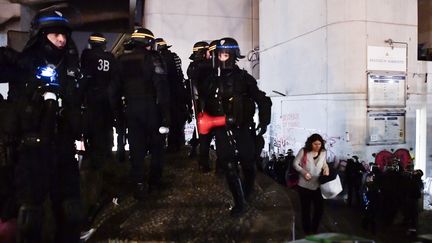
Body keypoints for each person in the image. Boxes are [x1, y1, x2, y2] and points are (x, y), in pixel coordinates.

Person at [12, 10, 83, 242]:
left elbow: (78, 104)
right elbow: (17, 108)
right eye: (55, 35)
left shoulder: (71, 66)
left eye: (63, 35)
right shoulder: (26, 64)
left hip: (63, 146)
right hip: (33, 149)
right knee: (30, 212)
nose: (61, 40)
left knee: (70, 207)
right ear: (42, 35)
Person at [201, 37, 272, 216]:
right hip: (221, 130)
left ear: (232, 56)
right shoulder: (210, 80)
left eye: (225, 55)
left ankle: (247, 192)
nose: (222, 58)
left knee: (248, 165)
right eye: (220, 55)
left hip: (243, 128)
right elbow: (204, 105)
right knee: (229, 167)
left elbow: (263, 100)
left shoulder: (244, 79)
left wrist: (264, 122)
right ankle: (239, 204)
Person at [112, 27, 170, 199]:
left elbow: (113, 91)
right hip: (151, 108)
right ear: (148, 43)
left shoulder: (121, 60)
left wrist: (118, 115)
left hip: (131, 109)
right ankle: (155, 182)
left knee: (136, 148)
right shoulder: (153, 59)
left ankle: (139, 184)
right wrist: (166, 116)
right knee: (157, 147)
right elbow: (162, 88)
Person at [154, 38, 188, 153]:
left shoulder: (158, 59)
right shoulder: (175, 57)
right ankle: (178, 145)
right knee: (177, 120)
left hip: (166, 93)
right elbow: (180, 74)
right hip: (178, 93)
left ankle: (167, 146)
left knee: (164, 120)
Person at [293, 133, 329, 235]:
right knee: (306, 210)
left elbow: (324, 163)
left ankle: (314, 228)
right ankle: (307, 231)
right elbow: (295, 164)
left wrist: (326, 168)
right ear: (310, 143)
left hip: (317, 185)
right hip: (304, 185)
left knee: (319, 209)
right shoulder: (304, 151)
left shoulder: (323, 152)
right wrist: (303, 172)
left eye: (319, 144)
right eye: (315, 144)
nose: (317, 146)